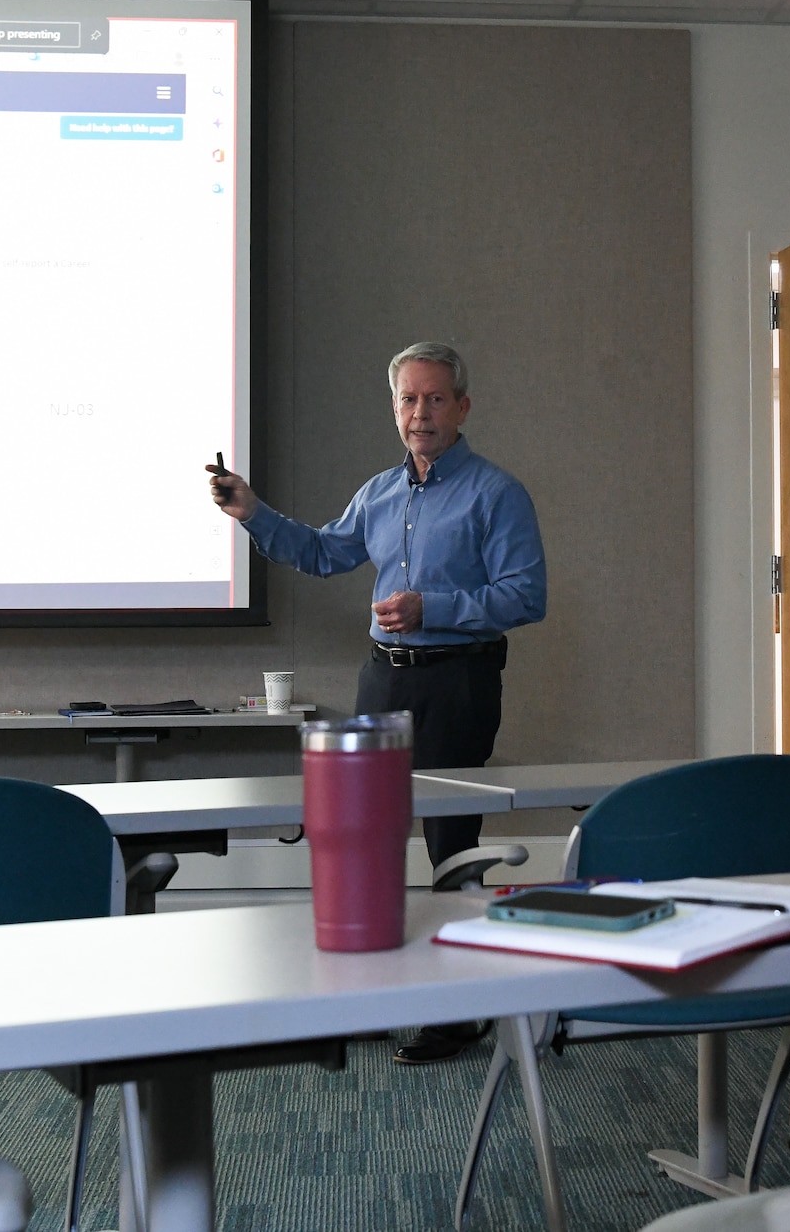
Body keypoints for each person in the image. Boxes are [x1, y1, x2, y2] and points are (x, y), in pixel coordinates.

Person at [208, 340, 546, 1065]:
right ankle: (373, 997)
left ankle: (461, 1010)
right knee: (368, 842)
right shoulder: (380, 491)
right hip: (383, 680)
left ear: (462, 406)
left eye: (433, 399)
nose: (419, 413)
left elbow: (526, 594)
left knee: (451, 845)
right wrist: (252, 512)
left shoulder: (497, 492)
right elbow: (325, 552)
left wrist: (435, 607)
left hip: (459, 680)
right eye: (407, 400)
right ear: (395, 408)